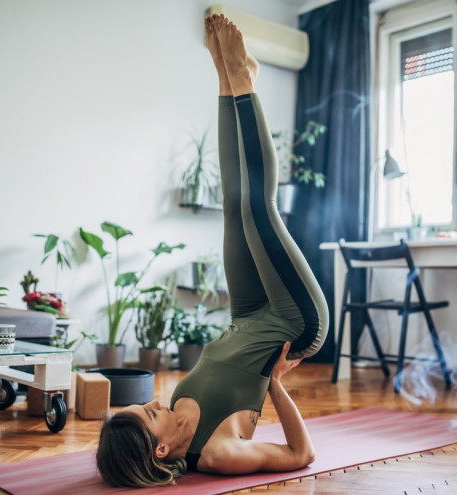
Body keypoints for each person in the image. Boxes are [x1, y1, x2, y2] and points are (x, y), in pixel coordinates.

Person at [96, 14, 329, 488]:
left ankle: (228, 79)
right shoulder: (218, 453)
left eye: (146, 403)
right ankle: (243, 82)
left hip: (246, 315)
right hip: (295, 323)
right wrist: (278, 384)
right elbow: (301, 454)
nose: (155, 402)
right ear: (160, 448)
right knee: (257, 209)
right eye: (149, 413)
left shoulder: (179, 402)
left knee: (232, 206)